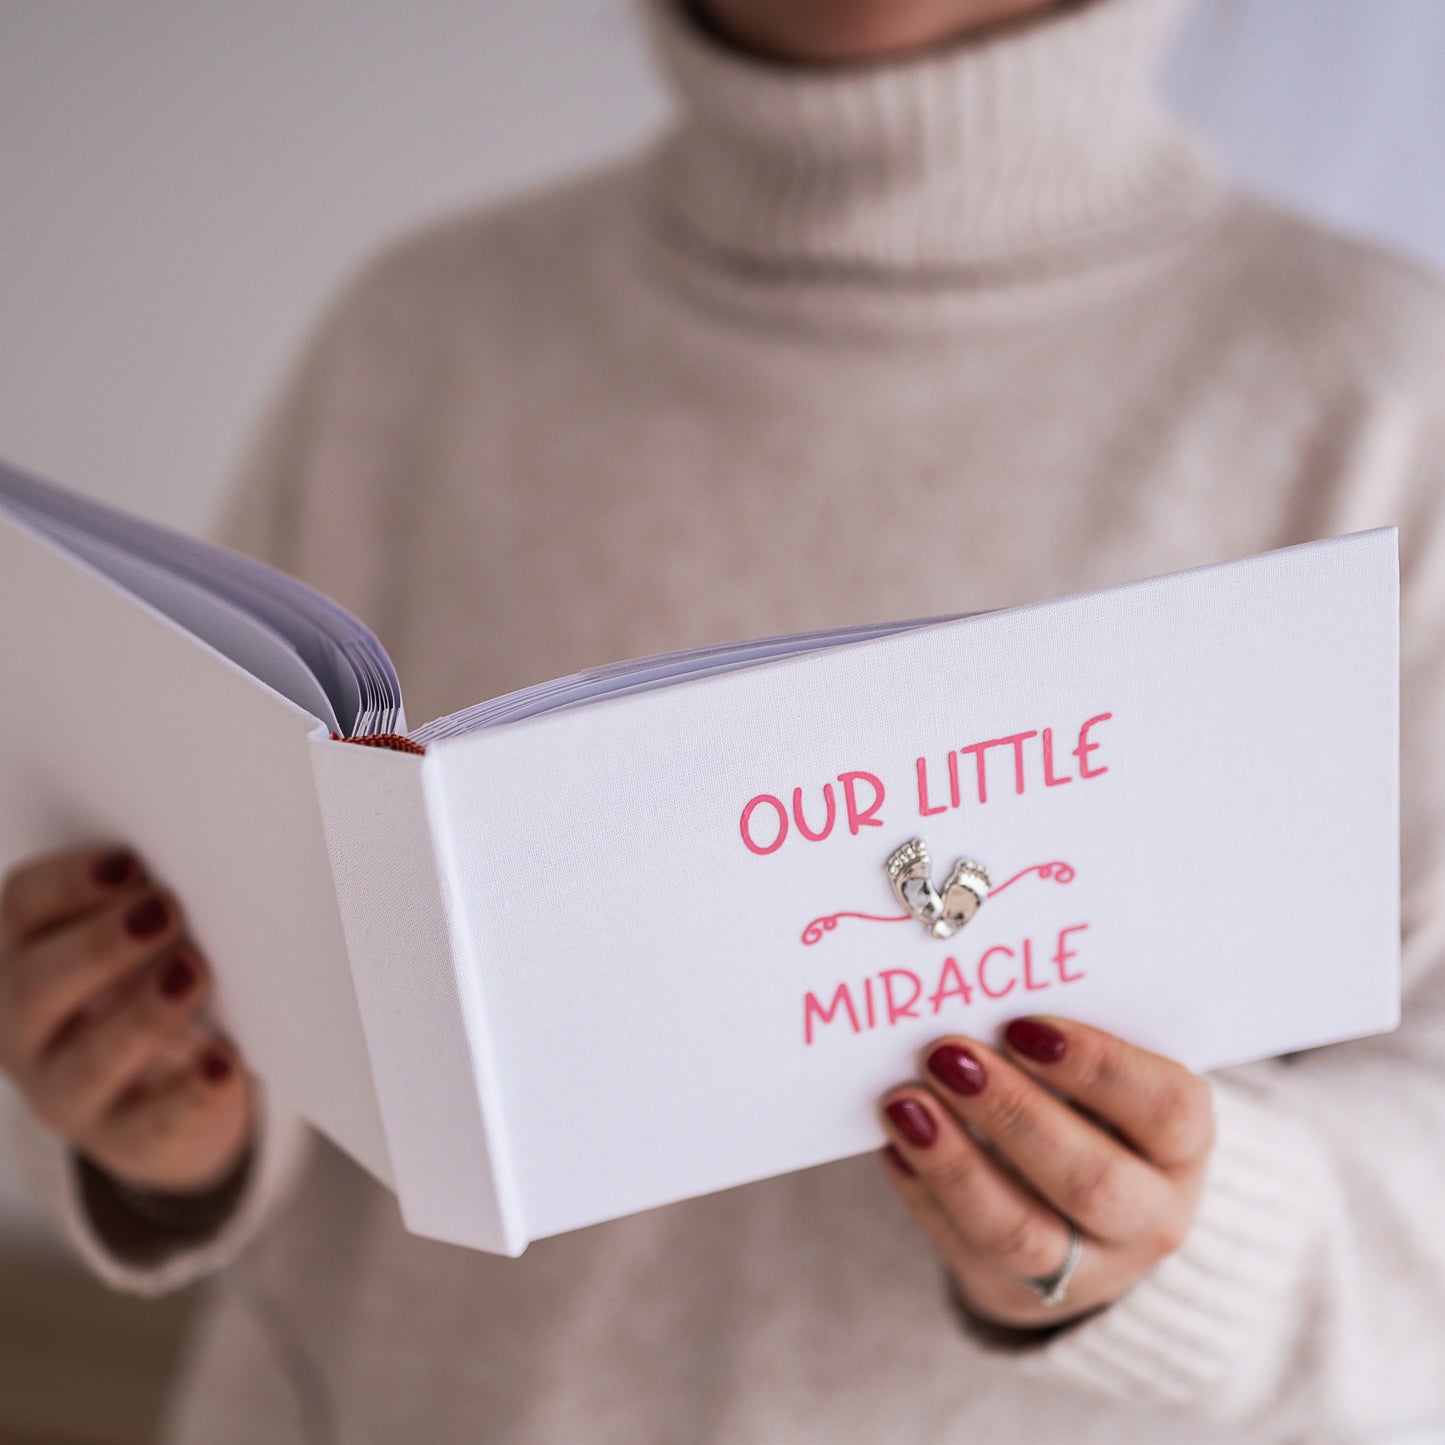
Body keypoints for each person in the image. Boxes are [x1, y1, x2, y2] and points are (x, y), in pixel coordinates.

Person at [4, 0, 1445, 1438]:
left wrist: (1174, 1235)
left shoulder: (1388, 398)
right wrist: (165, 1111)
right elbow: (270, 989)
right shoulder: (423, 330)